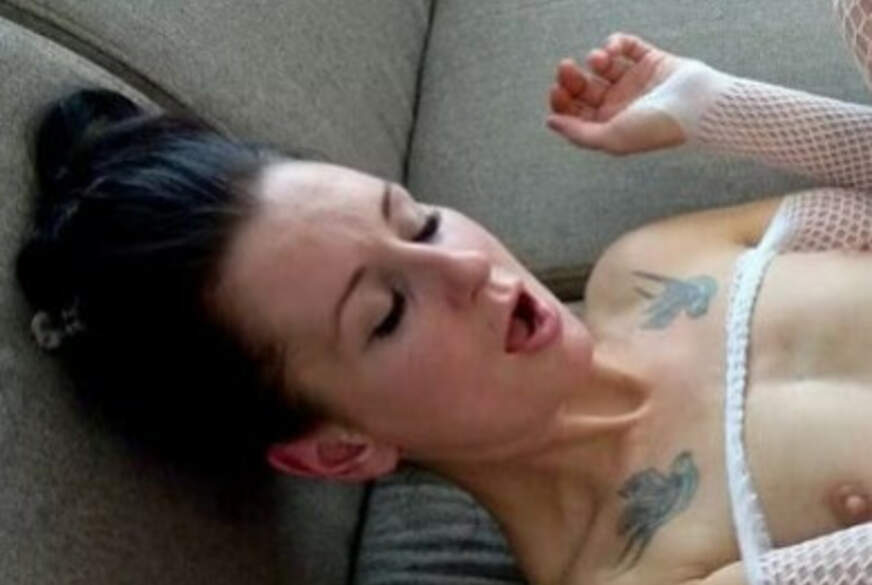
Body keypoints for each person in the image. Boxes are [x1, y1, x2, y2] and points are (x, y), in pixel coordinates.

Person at [14, 7, 872, 585]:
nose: (464, 268)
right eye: (387, 312)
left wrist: (716, 107)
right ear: (339, 450)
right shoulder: (644, 570)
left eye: (417, 222)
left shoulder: (645, 265)